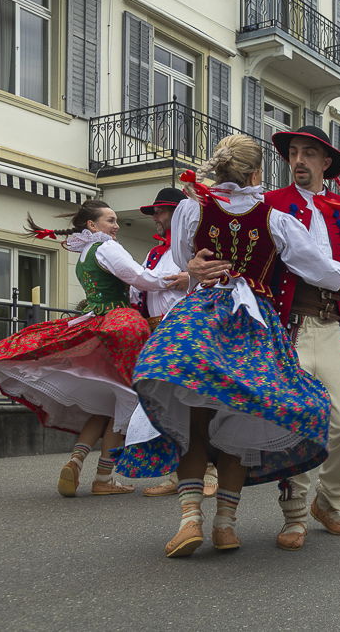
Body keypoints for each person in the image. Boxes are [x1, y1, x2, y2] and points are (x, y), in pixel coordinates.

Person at [115, 134, 340, 558]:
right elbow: (315, 266)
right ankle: (226, 525)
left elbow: (183, 260)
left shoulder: (193, 208)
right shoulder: (277, 217)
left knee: (196, 421)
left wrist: (196, 270)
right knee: (242, 419)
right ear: (256, 173)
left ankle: (191, 519)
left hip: (203, 319)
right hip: (252, 324)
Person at [235, 125, 340, 552]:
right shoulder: (267, 205)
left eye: (308, 154)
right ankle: (295, 513)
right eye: (293, 153)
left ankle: (329, 501)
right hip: (285, 328)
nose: (298, 160)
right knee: (297, 422)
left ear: (325, 163)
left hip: (330, 327)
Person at [0, 200, 173, 497]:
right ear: (92, 226)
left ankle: (76, 459)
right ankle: (104, 478)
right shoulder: (107, 247)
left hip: (98, 323)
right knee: (126, 398)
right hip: (121, 325)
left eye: (116, 220)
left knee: (107, 402)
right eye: (110, 220)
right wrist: (178, 278)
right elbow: (138, 279)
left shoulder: (85, 253)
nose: (116, 225)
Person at [129, 188, 218, 499]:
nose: (156, 217)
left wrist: (187, 278)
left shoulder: (194, 248)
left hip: (186, 331)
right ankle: (177, 471)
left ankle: (208, 469)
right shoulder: (154, 253)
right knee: (168, 402)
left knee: (195, 398)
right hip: (159, 333)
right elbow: (139, 288)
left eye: (161, 211)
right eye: (155, 212)